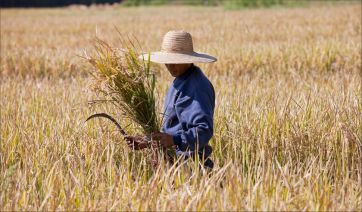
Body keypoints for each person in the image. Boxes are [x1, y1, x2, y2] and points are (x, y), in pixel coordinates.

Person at [125, 30, 217, 169]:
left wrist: (175, 140)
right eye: (167, 61)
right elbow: (173, 128)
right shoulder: (180, 81)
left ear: (188, 60)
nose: (170, 66)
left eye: (175, 61)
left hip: (190, 167)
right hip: (174, 164)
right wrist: (147, 141)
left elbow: (204, 130)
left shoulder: (196, 87)